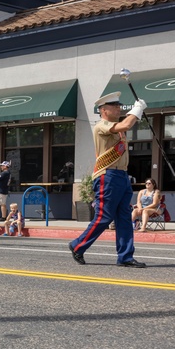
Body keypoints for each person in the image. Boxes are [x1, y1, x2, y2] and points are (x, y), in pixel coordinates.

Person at [69, 91, 147, 267]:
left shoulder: (116, 127)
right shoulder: (101, 125)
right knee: (104, 217)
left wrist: (136, 112)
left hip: (121, 175)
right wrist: (137, 109)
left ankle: (125, 256)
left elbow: (125, 124)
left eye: (119, 106)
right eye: (115, 106)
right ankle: (77, 245)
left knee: (125, 217)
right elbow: (126, 125)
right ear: (104, 110)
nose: (119, 108)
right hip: (108, 175)